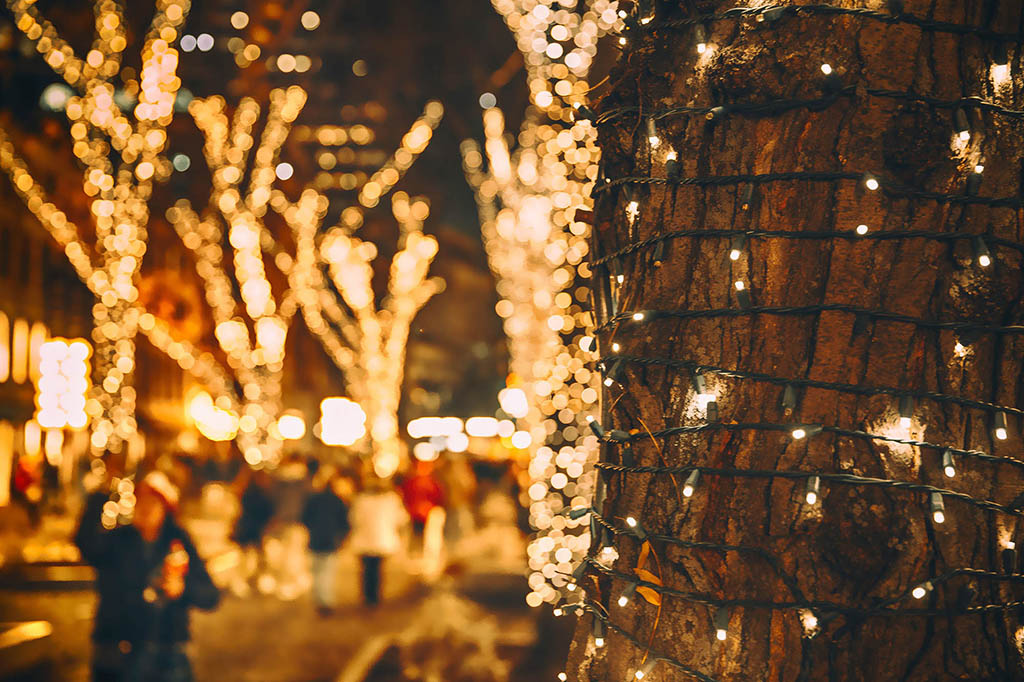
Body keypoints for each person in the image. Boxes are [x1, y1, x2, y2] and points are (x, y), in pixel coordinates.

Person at [75, 470, 220, 682]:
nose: (144, 508)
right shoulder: (117, 541)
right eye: (140, 501)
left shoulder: (178, 543)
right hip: (118, 649)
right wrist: (101, 493)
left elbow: (211, 596)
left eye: (153, 502)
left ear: (166, 509)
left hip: (167, 651)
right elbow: (85, 542)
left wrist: (182, 589)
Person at [348, 474, 408, 606]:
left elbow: (354, 519)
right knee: (378, 569)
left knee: (366, 569)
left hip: (364, 540)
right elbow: (401, 519)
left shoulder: (361, 500)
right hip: (383, 540)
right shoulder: (392, 500)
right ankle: (375, 596)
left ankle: (367, 595)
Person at [300, 472, 350, 615]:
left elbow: (304, 518)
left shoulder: (313, 499)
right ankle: (326, 600)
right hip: (330, 540)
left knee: (316, 572)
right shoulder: (338, 501)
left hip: (315, 539)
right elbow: (344, 523)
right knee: (327, 572)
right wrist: (341, 537)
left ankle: (319, 599)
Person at [231, 470, 274, 595]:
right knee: (260, 558)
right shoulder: (264, 493)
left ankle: (242, 582)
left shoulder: (244, 492)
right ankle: (257, 580)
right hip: (258, 529)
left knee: (244, 557)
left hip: (245, 528)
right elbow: (268, 511)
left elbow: (239, 510)